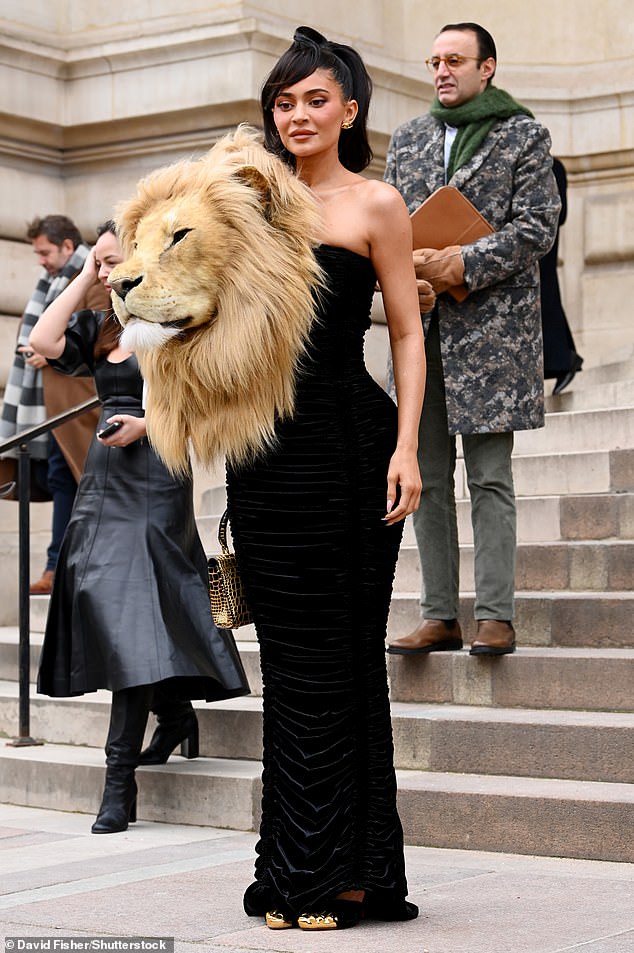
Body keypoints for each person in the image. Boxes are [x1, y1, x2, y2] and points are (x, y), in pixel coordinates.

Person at [226, 26, 426, 931]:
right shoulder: (246, 205)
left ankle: (350, 874)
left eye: (314, 99)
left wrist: (409, 446)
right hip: (264, 459)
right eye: (284, 100)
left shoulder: (379, 205)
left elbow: (408, 334)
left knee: (347, 661)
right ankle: (299, 867)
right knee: (293, 670)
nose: (297, 114)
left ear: (349, 110)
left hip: (352, 447)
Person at [30, 221, 249, 834]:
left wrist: (146, 425)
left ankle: (117, 782)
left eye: (110, 262)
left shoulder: (177, 321)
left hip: (158, 474)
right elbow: (45, 342)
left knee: (135, 611)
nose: (103, 273)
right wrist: (81, 279)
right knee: (111, 602)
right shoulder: (98, 327)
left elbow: (209, 403)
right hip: (103, 479)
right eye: (98, 263)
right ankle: (175, 713)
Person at [384, 22, 561, 658]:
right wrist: (406, 273)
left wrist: (461, 262)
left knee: (489, 476)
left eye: (455, 60)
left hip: (494, 336)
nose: (441, 71)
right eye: (434, 60)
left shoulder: (524, 133)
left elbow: (538, 226)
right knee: (422, 475)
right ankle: (438, 614)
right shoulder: (406, 140)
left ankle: (495, 615)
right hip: (420, 328)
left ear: (487, 67)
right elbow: (388, 229)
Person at [0, 214, 107, 595]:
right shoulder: (51, 283)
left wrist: (54, 352)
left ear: (66, 246)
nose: (40, 260)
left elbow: (100, 333)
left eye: (45, 252)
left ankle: (58, 565)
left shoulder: (94, 279)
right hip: (50, 407)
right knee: (59, 478)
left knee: (69, 478)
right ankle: (58, 564)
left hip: (78, 404)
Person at [540, 157, 584, 395]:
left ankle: (563, 360)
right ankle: (563, 359)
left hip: (543, 244)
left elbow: (561, 212)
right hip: (536, 246)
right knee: (546, 298)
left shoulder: (553, 166)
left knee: (546, 297)